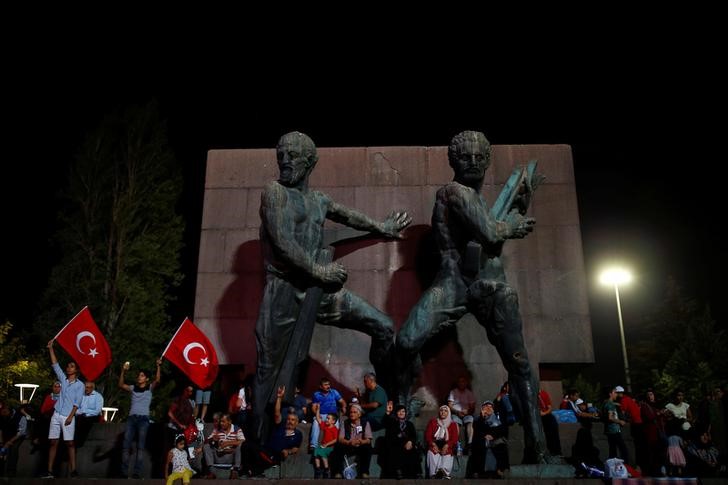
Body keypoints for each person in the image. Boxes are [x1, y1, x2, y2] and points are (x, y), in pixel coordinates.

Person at [396, 130, 550, 463]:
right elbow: (491, 232)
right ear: (453, 161)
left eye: (480, 157)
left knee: (519, 363)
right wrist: (511, 226)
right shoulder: (453, 192)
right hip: (453, 282)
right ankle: (401, 415)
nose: (473, 162)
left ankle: (536, 445)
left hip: (490, 284)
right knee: (406, 341)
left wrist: (519, 202)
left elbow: (491, 239)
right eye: (465, 157)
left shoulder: (481, 202)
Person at [253, 131, 411, 438]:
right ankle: (260, 440)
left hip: (319, 291)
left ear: (311, 162)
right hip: (285, 291)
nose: (284, 161)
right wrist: (318, 270)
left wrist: (382, 227)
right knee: (267, 368)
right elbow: (282, 241)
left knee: (382, 325)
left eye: (293, 156)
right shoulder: (274, 192)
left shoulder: (318, 200)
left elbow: (349, 216)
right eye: (280, 155)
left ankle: (389, 401)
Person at [43, 339, 85, 479]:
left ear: (76, 370)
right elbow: (55, 365)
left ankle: (73, 470)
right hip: (57, 414)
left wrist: (70, 417)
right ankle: (49, 471)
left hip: (68, 415)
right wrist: (50, 348)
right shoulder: (63, 379)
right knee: (53, 442)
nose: (68, 368)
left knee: (69, 443)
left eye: (71, 366)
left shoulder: (80, 385)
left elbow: (77, 403)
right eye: (68, 366)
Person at [118, 358, 162, 478]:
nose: (139, 377)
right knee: (126, 445)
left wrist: (158, 366)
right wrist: (123, 371)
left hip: (143, 419)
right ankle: (124, 472)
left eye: (142, 376)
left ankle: (137, 472)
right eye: (139, 375)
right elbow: (121, 384)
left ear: (146, 379)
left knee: (140, 446)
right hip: (132, 419)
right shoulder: (133, 388)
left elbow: (157, 380)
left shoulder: (149, 389)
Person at [467, 400, 508, 478]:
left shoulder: (497, 419)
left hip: (494, 439)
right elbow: (477, 430)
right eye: (486, 406)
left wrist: (492, 435)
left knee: (501, 444)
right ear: (482, 408)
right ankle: (477, 471)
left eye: (490, 406)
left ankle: (500, 469)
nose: (488, 408)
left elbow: (501, 430)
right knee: (478, 444)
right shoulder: (478, 419)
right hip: (482, 439)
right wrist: (482, 418)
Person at [381, 401, 421, 479]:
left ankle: (416, 473)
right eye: (399, 411)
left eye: (403, 411)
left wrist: (410, 442)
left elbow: (413, 436)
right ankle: (398, 471)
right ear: (396, 413)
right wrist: (388, 412)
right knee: (394, 451)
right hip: (395, 445)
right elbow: (384, 422)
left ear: (405, 413)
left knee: (414, 451)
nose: (401, 413)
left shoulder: (409, 424)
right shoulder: (392, 422)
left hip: (408, 445)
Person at [202, 413, 245, 479]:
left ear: (229, 422)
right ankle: (211, 471)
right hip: (219, 455)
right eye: (220, 421)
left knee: (239, 446)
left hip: (231, 456)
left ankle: (235, 471)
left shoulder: (237, 429)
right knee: (206, 446)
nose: (221, 423)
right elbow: (206, 441)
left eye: (223, 421)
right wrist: (212, 439)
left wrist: (228, 443)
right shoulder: (217, 430)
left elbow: (242, 441)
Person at [309, 377, 346, 452]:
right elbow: (313, 407)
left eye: (329, 384)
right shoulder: (316, 394)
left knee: (336, 427)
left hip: (332, 416)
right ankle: (313, 445)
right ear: (321, 386)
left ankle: (336, 445)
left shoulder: (334, 392)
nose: (328, 386)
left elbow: (342, 401)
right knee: (316, 422)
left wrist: (344, 406)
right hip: (321, 415)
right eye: (325, 385)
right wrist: (317, 414)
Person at [425, 404, 459, 478]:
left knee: (447, 453)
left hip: (447, 444)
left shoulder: (453, 424)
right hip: (435, 443)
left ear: (448, 413)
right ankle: (434, 474)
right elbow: (428, 436)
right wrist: (433, 444)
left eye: (445, 411)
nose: (443, 412)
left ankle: (443, 472)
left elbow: (454, 439)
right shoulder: (433, 422)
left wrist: (447, 445)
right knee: (432, 452)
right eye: (441, 410)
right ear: (439, 412)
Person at [447, 376, 476, 451]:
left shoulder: (469, 393)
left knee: (470, 421)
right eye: (460, 382)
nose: (461, 383)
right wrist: (457, 412)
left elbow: (472, 406)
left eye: (463, 382)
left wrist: (467, 411)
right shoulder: (453, 392)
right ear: (458, 383)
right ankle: (456, 443)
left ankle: (470, 443)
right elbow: (449, 405)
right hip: (456, 413)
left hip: (467, 413)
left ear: (466, 383)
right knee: (455, 422)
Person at [0, 404, 28, 477]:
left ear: (10, 411)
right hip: (7, 433)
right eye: (2, 413)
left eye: (5, 413)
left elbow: (21, 433)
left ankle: (11, 471)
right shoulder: (2, 415)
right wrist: (2, 442)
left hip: (18, 435)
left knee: (13, 448)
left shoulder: (21, 418)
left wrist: (9, 442)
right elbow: (1, 429)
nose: (4, 415)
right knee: (2, 450)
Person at [311, 402, 338, 478]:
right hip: (323, 446)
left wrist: (327, 444)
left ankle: (326, 469)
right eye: (327, 418)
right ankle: (318, 469)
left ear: (333, 421)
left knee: (322, 452)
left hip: (330, 447)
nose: (326, 419)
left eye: (328, 418)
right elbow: (318, 418)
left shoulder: (335, 429)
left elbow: (336, 439)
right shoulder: (325, 426)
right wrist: (318, 409)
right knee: (316, 451)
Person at [74, 381, 103, 448]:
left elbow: (97, 411)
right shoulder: (81, 396)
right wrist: (80, 412)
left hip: (93, 416)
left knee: (84, 421)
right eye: (84, 387)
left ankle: (79, 443)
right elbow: (76, 408)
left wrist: (84, 411)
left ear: (92, 388)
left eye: (87, 387)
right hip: (81, 416)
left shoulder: (98, 397)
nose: (85, 389)